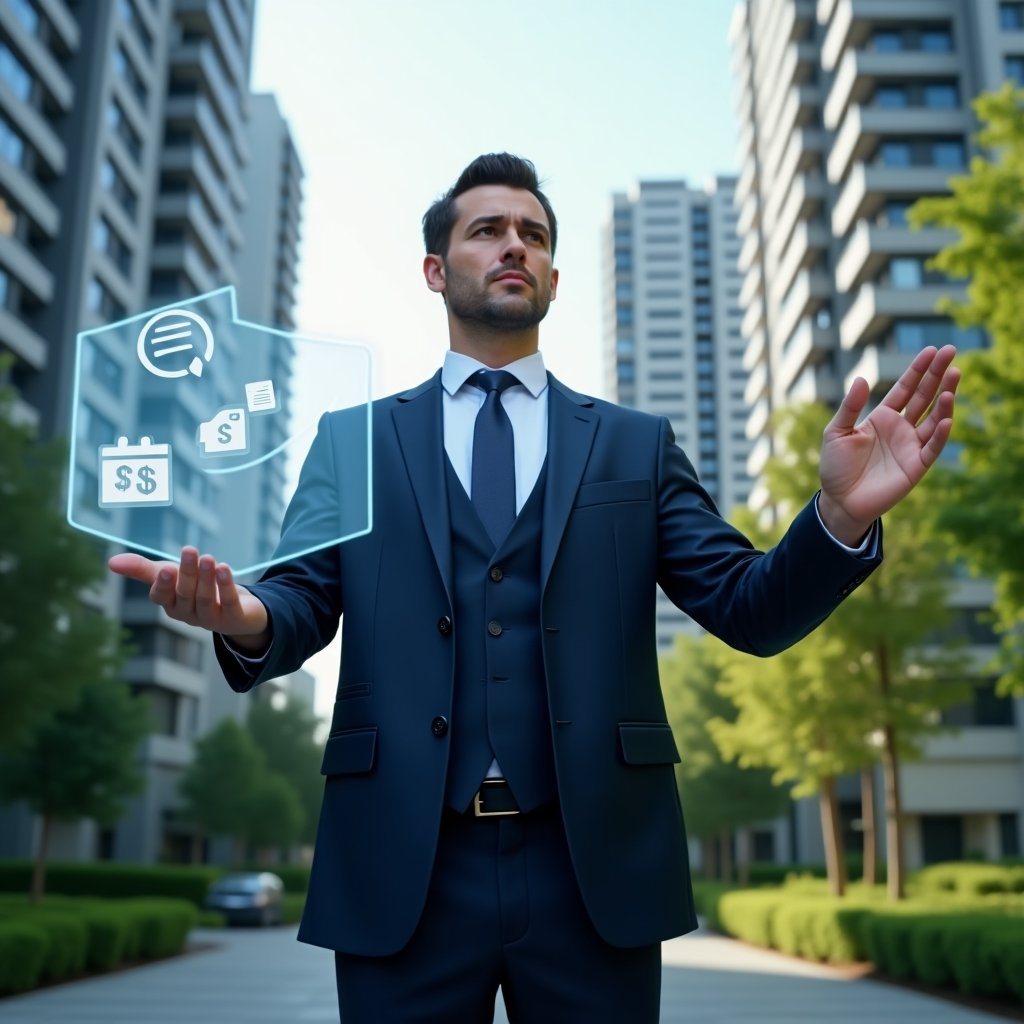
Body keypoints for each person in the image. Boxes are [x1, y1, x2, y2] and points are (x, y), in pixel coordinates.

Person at [110, 153, 959, 1023]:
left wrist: (838, 520)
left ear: (554, 274)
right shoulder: (353, 441)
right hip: (405, 861)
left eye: (534, 234)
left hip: (593, 867)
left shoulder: (635, 445)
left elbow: (750, 608)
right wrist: (242, 615)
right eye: (488, 230)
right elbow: (295, 599)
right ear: (437, 270)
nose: (515, 245)